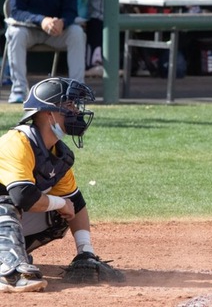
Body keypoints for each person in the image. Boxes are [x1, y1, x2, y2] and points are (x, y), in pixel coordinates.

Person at [0, 77, 123, 292]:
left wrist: (85, 251)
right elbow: (23, 195)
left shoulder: (58, 155)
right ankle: (8, 271)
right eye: (68, 106)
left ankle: (9, 255)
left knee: (63, 213)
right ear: (48, 114)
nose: (76, 111)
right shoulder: (17, 142)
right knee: (7, 204)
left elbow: (75, 203)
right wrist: (59, 203)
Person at [6, 0, 86, 104]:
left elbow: (71, 10)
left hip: (57, 31)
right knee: (14, 32)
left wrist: (63, 22)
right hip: (29, 30)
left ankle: (76, 91)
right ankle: (19, 90)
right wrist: (41, 20)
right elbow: (16, 11)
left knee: (77, 33)